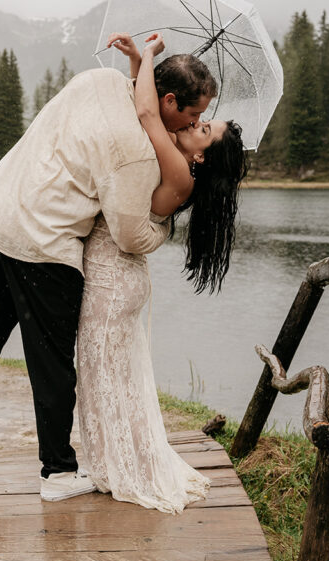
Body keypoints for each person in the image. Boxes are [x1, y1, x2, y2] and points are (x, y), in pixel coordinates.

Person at [0, 39, 219, 502]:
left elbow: (126, 101)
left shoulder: (99, 80)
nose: (193, 124)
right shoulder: (136, 152)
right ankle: (58, 473)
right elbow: (130, 236)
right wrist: (165, 227)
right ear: (168, 100)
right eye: (193, 116)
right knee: (50, 359)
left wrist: (139, 61)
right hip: (44, 243)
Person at [75, 32, 249, 512]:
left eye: (203, 128)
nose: (195, 124)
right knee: (112, 376)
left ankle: (118, 468)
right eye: (199, 118)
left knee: (104, 374)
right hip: (120, 278)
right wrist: (138, 68)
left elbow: (151, 115)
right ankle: (112, 463)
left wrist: (149, 56)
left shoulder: (179, 170)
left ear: (201, 156)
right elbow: (148, 113)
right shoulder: (177, 158)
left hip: (114, 279)